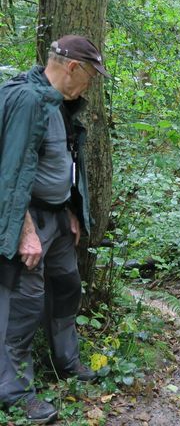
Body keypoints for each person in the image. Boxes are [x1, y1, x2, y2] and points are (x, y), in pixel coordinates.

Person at [0, 35, 109, 423]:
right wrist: (25, 231)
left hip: (58, 216)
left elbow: (60, 161)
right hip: (26, 219)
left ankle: (67, 362)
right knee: (24, 303)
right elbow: (10, 172)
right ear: (72, 68)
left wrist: (71, 210)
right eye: (90, 77)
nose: (89, 86)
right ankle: (14, 391)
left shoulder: (58, 103)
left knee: (67, 286)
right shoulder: (28, 101)